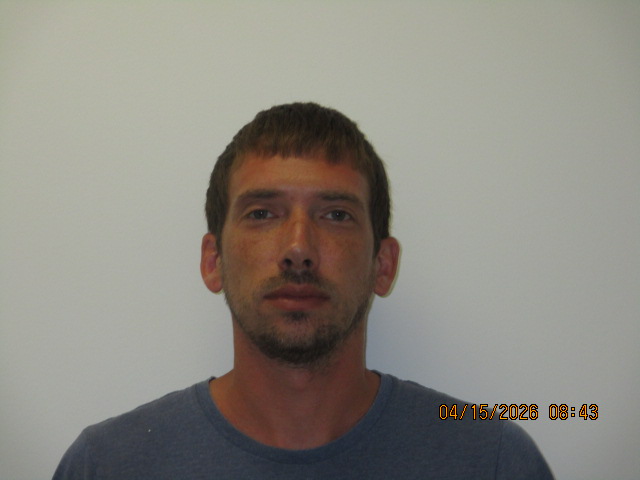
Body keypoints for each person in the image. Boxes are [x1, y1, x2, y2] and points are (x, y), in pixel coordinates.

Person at [53, 102, 554, 479]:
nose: (298, 248)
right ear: (213, 261)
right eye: (262, 214)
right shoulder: (107, 465)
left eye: (335, 215)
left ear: (383, 266)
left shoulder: (492, 461)